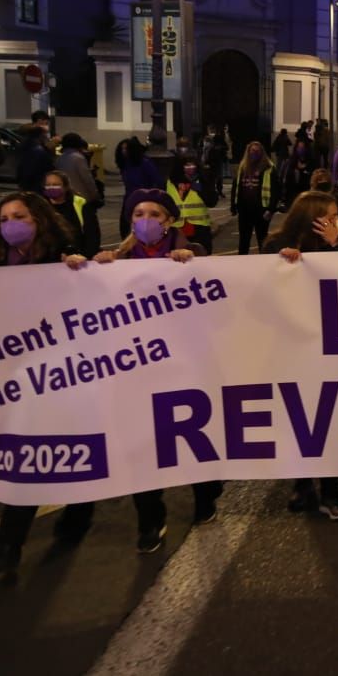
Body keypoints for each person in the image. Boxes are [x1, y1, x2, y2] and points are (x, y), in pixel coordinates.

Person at [0, 193, 91, 574]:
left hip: (66, 374)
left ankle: (78, 514)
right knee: (27, 454)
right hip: (22, 379)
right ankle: (8, 546)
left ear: (40, 220)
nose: (10, 224)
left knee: (70, 448)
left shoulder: (62, 258)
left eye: (19, 216)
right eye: (4, 219)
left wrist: (77, 269)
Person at [95, 188, 223, 552]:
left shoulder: (191, 254)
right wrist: (87, 269)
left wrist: (193, 260)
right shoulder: (114, 263)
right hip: (135, 371)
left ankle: (206, 496)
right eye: (138, 213)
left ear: (169, 221)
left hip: (186, 368)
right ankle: (150, 519)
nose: (144, 220)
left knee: (194, 438)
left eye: (153, 213)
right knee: (140, 445)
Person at [262, 190, 338, 521]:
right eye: (329, 215)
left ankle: (331, 491)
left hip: (326, 346)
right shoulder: (275, 244)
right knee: (296, 420)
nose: (336, 221)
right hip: (289, 347)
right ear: (311, 217)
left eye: (336, 216)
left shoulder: (337, 241)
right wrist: (282, 266)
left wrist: (335, 245)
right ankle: (302, 485)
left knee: (324, 420)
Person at [42, 169, 102, 257]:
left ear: (66, 187)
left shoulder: (81, 204)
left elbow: (93, 236)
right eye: (48, 185)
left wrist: (84, 257)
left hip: (79, 256)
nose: (51, 188)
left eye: (56, 185)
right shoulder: (41, 206)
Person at [231, 141, 274, 255]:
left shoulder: (268, 168)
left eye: (257, 151)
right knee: (244, 241)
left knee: (262, 240)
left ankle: (264, 264)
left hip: (261, 210)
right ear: (248, 152)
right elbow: (236, 187)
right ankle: (242, 264)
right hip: (245, 210)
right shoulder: (243, 167)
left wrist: (271, 209)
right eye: (252, 151)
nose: (254, 153)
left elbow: (276, 190)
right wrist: (234, 206)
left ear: (262, 152)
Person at [166, 156, 213, 253]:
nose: (190, 167)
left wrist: (201, 190)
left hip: (200, 229)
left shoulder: (202, 180)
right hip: (177, 228)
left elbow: (212, 202)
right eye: (187, 165)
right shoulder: (170, 183)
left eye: (193, 164)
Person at [56, 133, 102, 207]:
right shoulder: (78, 158)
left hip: (65, 196)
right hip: (81, 196)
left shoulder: (59, 159)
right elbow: (87, 179)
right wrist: (95, 195)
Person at [15, 126, 56, 192]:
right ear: (41, 135)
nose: (47, 137)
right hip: (36, 184)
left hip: (25, 182)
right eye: (45, 134)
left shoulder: (24, 146)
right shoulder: (38, 150)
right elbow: (49, 167)